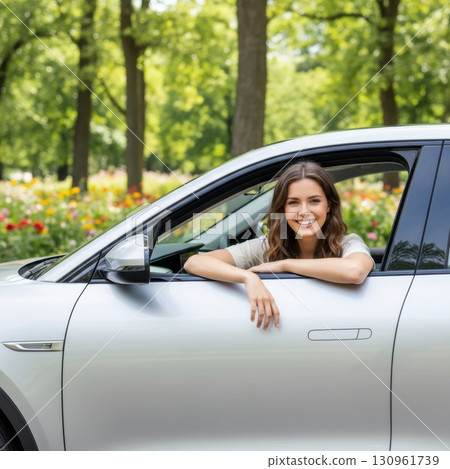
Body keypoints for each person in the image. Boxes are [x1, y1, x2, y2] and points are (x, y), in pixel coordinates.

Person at [184, 162, 374, 330]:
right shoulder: (267, 246)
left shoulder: (347, 243)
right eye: (293, 203)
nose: (304, 211)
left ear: (329, 205)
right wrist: (248, 277)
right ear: (282, 209)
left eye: (314, 201)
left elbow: (355, 272)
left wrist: (285, 265)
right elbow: (195, 262)